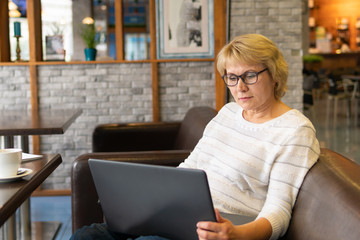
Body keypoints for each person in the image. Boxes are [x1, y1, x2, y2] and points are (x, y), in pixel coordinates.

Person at [71, 34, 320, 240]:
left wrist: (236, 234)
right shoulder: (229, 113)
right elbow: (191, 166)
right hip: (181, 215)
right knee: (86, 236)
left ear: (275, 74)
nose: (240, 87)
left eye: (250, 76)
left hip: (222, 227)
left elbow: (279, 211)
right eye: (232, 78)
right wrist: (148, 201)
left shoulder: (295, 130)